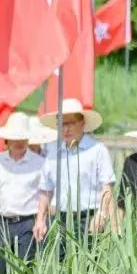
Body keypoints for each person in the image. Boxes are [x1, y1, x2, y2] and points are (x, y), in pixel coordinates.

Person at [34, 98, 115, 256]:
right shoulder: (53, 153)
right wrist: (40, 219)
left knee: (88, 266)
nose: (66, 129)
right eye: (62, 124)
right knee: (59, 267)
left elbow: (107, 186)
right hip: (59, 219)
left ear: (82, 123)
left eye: (70, 123)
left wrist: (102, 214)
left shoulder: (97, 150)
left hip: (87, 219)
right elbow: (46, 190)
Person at [0, 112, 45, 274]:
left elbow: (44, 195)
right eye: (15, 138)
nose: (19, 142)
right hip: (2, 223)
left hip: (27, 223)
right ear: (7, 140)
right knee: (2, 271)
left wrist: (40, 220)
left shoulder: (40, 163)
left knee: (25, 270)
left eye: (23, 138)